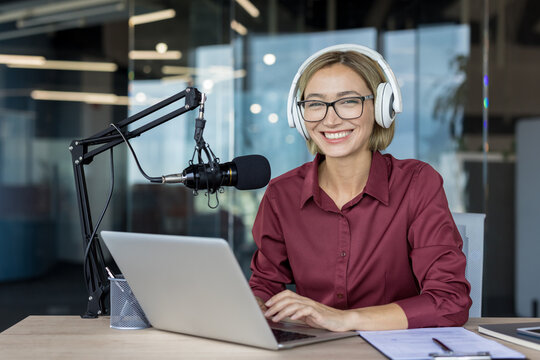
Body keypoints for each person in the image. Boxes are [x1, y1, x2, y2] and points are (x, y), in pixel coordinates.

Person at [248, 44, 472, 332]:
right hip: (314, 352)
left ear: (381, 107)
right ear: (299, 115)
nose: (330, 119)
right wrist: (253, 304)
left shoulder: (417, 183)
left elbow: (450, 301)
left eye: (349, 101)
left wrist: (344, 319)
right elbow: (264, 288)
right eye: (315, 104)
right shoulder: (282, 195)